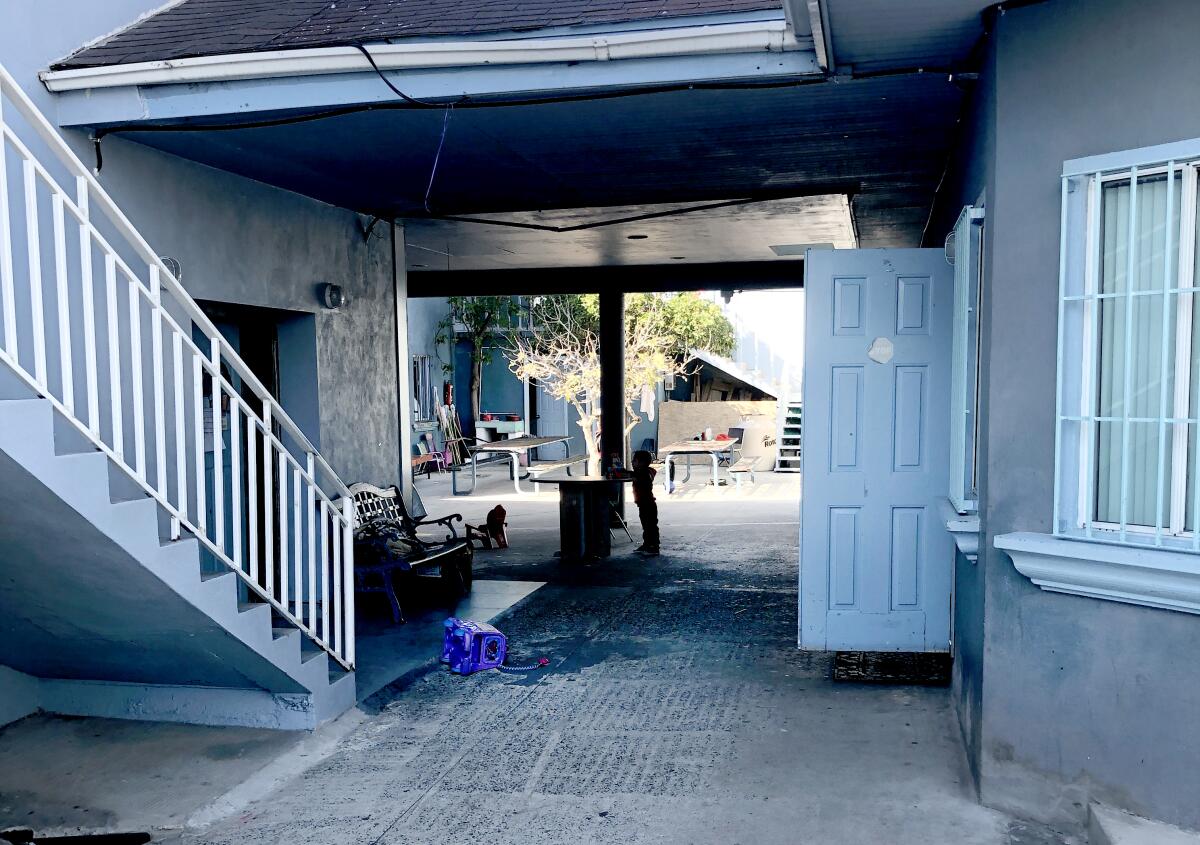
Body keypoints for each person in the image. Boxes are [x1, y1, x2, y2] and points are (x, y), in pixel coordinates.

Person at [631, 450, 660, 556]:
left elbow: (638, 477)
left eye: (635, 460)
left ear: (641, 462)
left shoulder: (643, 474)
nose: (632, 462)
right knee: (648, 525)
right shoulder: (646, 471)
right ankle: (648, 544)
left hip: (646, 503)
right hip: (645, 504)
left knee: (649, 526)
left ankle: (653, 546)